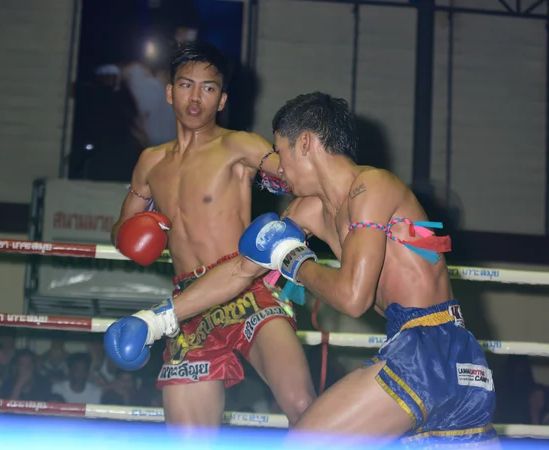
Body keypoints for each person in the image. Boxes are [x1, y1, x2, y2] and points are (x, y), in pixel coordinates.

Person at [113, 91, 498, 447]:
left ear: (306, 143)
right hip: (431, 357)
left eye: (281, 151)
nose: (280, 168)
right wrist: (157, 320)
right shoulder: (309, 211)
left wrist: (294, 260)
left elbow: (352, 297)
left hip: (430, 348)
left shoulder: (372, 187)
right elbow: (240, 271)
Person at [104, 40, 315, 429]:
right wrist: (136, 232)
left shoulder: (239, 145)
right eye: (186, 85)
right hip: (189, 305)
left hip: (245, 287)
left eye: (209, 88)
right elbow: (121, 228)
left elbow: (308, 178)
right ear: (169, 93)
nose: (196, 97)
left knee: (303, 407)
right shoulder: (150, 162)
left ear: (221, 100)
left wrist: (293, 220)